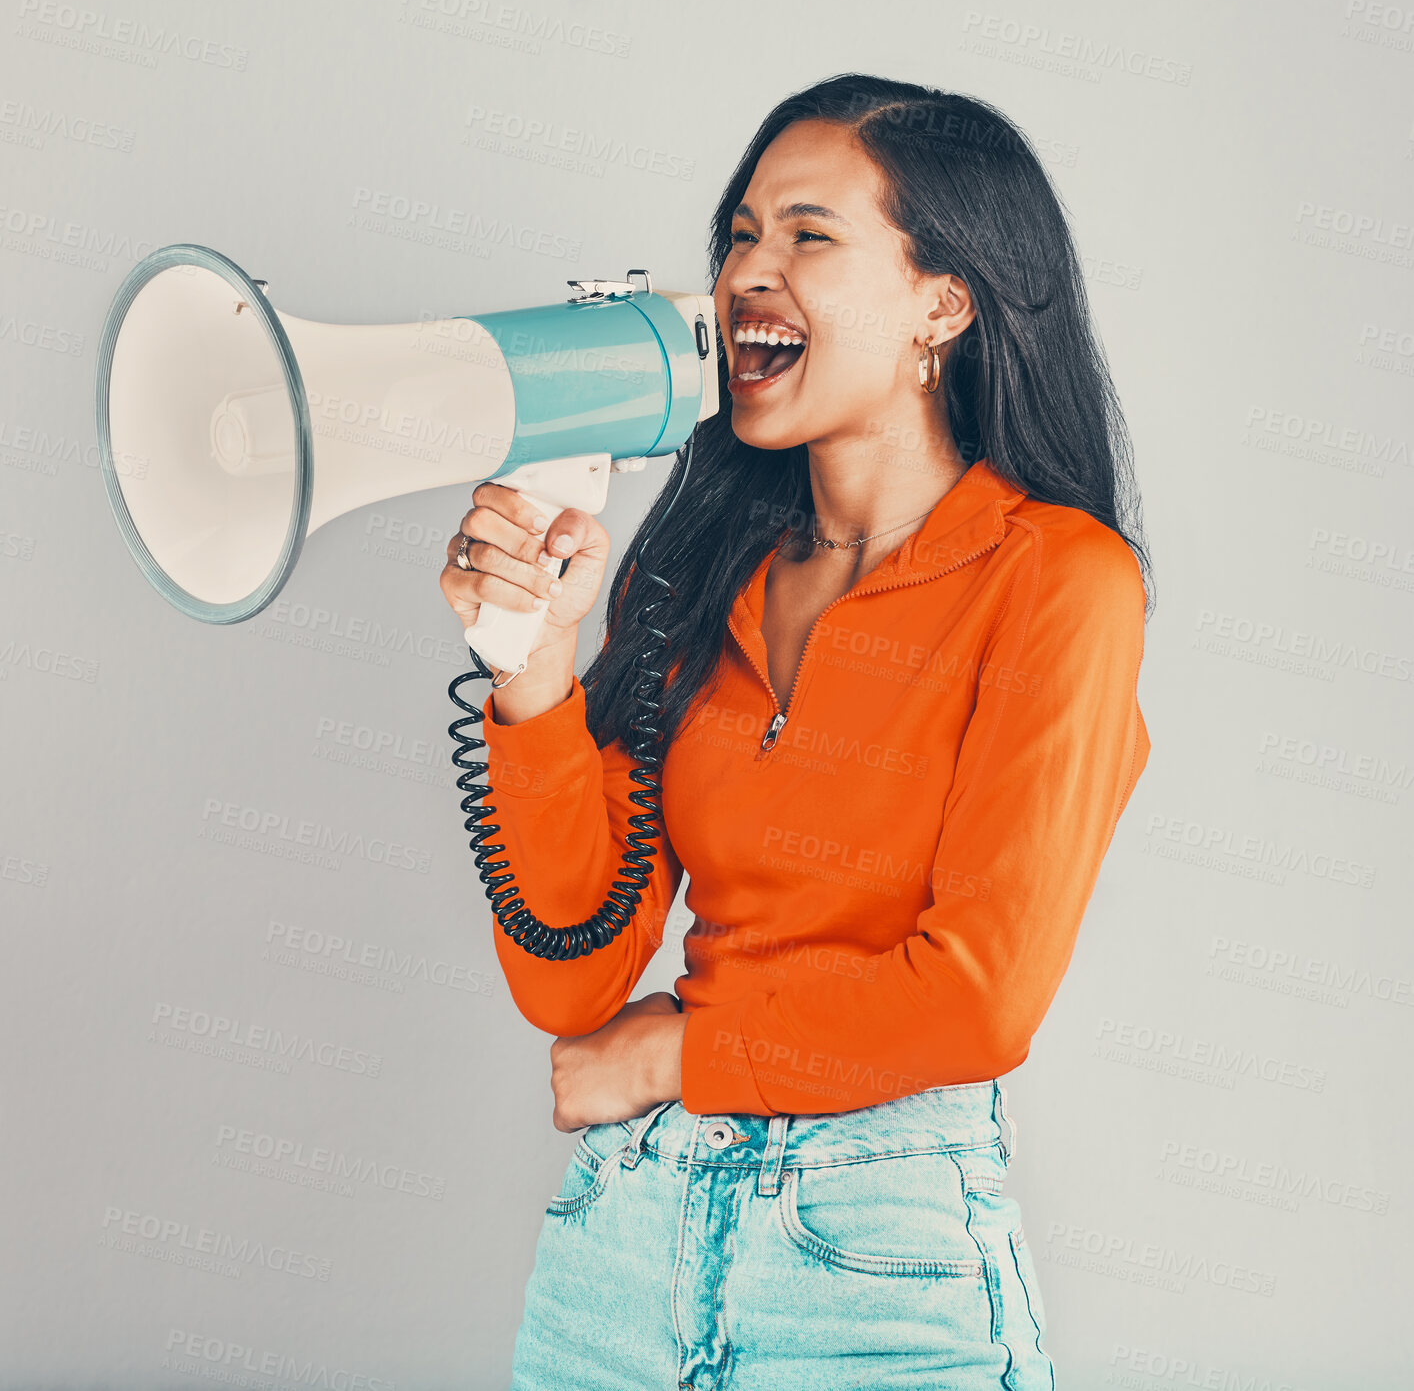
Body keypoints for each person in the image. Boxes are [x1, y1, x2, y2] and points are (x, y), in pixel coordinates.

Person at [440, 72, 1153, 1391]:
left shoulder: (1057, 579)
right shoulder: (702, 572)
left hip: (876, 1249)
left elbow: (976, 999)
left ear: (942, 304)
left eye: (807, 236)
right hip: (625, 1234)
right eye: (739, 234)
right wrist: (534, 671)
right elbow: (569, 977)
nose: (745, 272)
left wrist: (680, 1049)